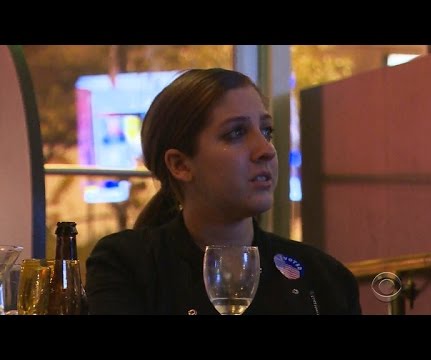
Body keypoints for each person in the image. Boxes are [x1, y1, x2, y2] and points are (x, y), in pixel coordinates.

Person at [86, 68, 361, 315]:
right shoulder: (128, 264)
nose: (266, 150)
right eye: (236, 133)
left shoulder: (323, 277)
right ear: (180, 164)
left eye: (266, 131)